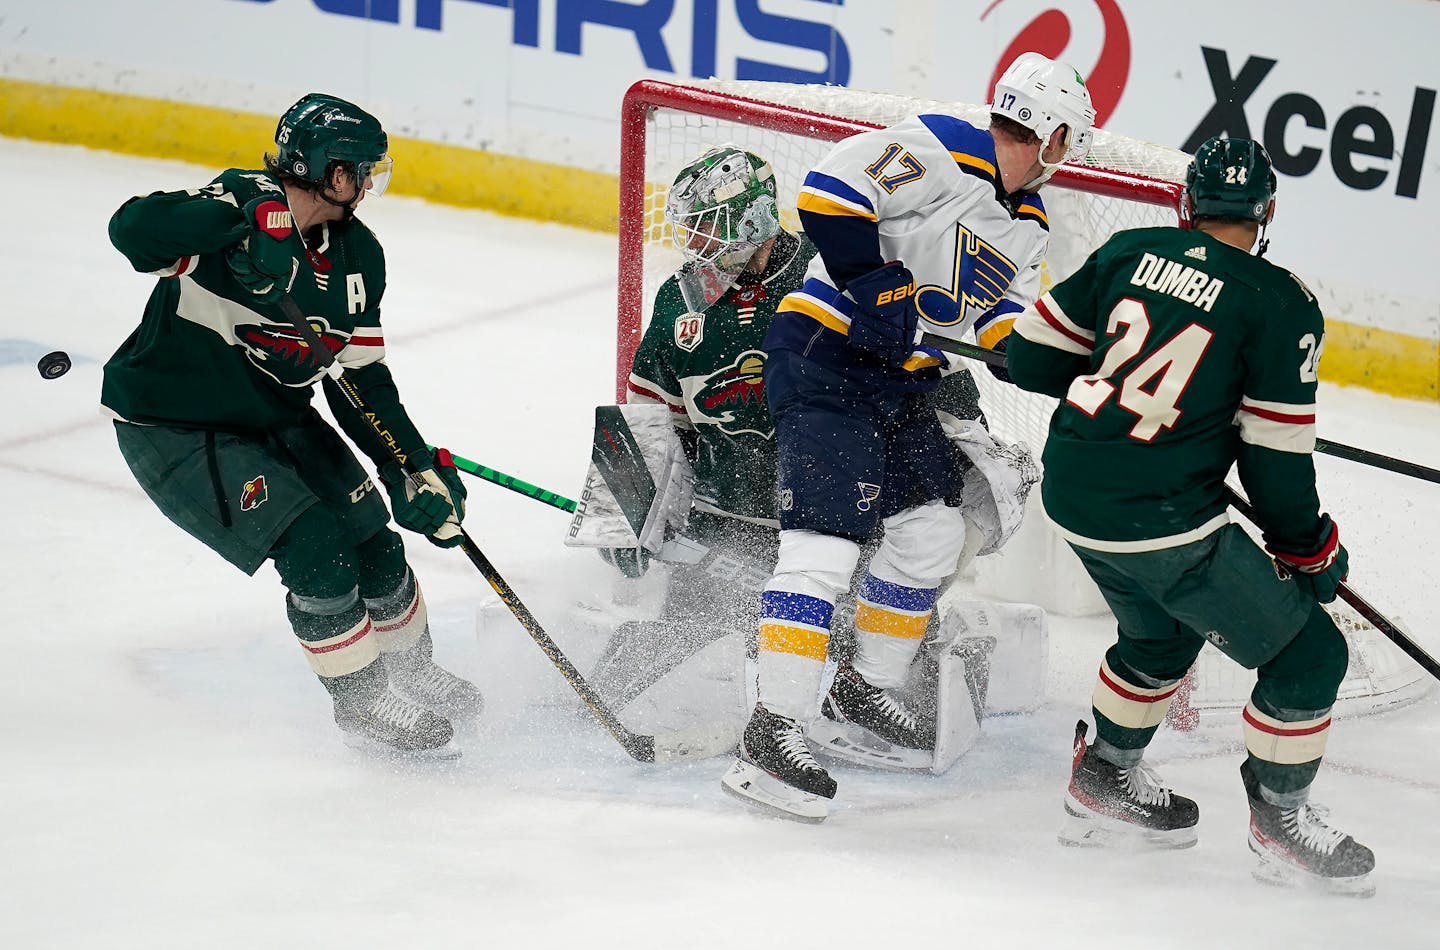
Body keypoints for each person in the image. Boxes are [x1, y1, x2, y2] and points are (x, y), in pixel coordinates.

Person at [719, 52, 1095, 820]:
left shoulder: (1031, 224)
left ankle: (861, 684)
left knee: (930, 534)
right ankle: (775, 724)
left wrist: (1049, 358)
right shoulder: (942, 145)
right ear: (1054, 133)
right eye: (1065, 138)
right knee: (822, 547)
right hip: (824, 357)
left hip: (900, 382)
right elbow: (828, 191)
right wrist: (874, 281)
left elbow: (994, 322)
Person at [1006, 136, 1374, 895]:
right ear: (1267, 211)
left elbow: (1031, 360)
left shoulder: (1129, 249)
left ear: (1186, 204)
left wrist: (1123, 386)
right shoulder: (1280, 302)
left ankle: (1104, 777)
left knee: (1162, 633)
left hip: (1074, 490)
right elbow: (1273, 465)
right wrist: (1309, 549)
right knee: (1309, 657)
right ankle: (1282, 821)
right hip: (1162, 520)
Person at [103, 93, 483, 757]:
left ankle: (413, 673)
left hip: (277, 415)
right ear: (337, 175)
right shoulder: (231, 211)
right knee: (317, 550)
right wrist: (236, 214)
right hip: (177, 425)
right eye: (364, 171)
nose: (369, 184)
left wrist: (409, 465)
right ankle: (363, 703)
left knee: (377, 545)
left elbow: (361, 381)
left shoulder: (360, 257)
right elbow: (130, 230)